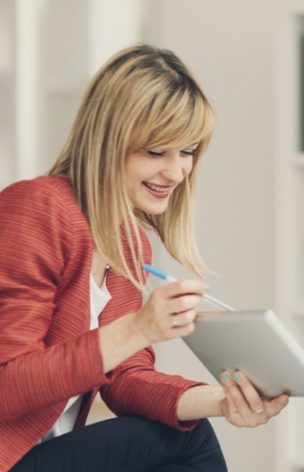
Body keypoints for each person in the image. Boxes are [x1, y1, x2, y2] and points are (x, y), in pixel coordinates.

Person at [0, 45, 288, 471]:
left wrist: (222, 401)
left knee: (187, 432)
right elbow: (8, 387)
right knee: (188, 446)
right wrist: (138, 327)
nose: (175, 173)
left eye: (187, 151)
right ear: (107, 143)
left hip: (47, 456)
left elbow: (127, 380)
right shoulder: (37, 208)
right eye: (156, 152)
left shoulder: (128, 243)